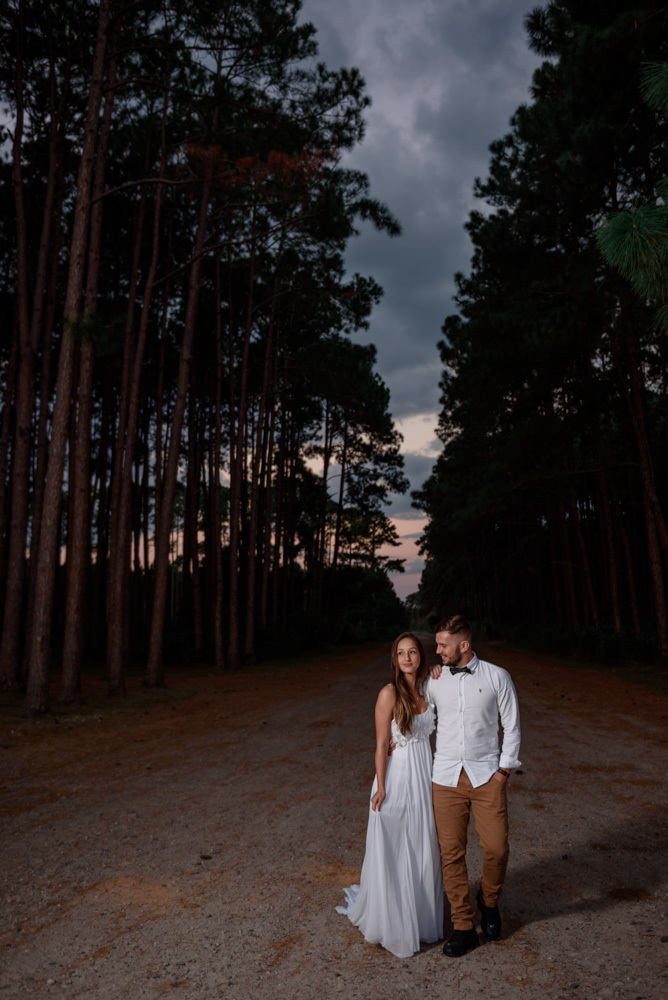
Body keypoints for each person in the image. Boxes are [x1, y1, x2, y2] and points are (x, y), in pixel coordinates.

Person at [336, 632, 443, 958]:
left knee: (422, 843)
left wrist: (440, 670)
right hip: (397, 777)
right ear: (394, 660)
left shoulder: (428, 688)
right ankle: (393, 920)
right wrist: (381, 786)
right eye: (401, 653)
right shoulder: (388, 694)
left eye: (412, 652)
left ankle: (422, 917)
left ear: (421, 657)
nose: (407, 658)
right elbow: (382, 745)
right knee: (396, 844)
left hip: (425, 777)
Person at [425, 614, 521, 957]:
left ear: (464, 645)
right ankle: (464, 926)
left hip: (486, 778)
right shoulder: (434, 680)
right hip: (445, 778)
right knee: (451, 854)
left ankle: (489, 900)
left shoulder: (498, 677)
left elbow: (511, 726)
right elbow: (421, 718)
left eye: (442, 645)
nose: (436, 651)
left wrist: (503, 772)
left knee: (496, 848)